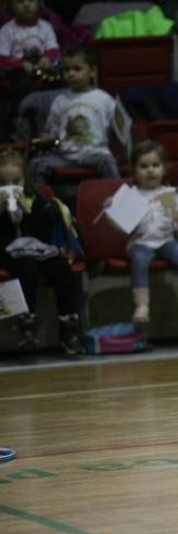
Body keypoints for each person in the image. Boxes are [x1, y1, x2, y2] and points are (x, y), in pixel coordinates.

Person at [104, 141, 178, 324]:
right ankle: (142, 305)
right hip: (141, 243)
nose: (150, 171)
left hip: (166, 241)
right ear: (134, 170)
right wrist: (111, 212)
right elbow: (120, 227)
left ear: (164, 169)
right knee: (139, 260)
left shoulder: (171, 195)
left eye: (155, 165)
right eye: (144, 166)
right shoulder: (131, 195)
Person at [0, 148, 83, 354]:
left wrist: (27, 212)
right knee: (26, 268)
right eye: (3, 182)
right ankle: (26, 325)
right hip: (7, 254)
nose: (11, 187)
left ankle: (68, 327)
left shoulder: (36, 200)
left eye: (16, 181)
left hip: (37, 249)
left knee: (61, 267)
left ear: (25, 180)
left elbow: (43, 234)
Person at [28, 44, 119, 184]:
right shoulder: (60, 101)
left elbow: (117, 129)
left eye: (77, 69)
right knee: (36, 165)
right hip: (65, 155)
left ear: (93, 71)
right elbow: (55, 135)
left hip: (94, 153)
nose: (70, 74)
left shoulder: (104, 99)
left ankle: (117, 198)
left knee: (108, 162)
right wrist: (50, 139)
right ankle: (43, 202)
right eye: (66, 70)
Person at [0, 0, 60, 142]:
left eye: (31, 1)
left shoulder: (45, 27)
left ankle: (56, 124)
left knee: (61, 80)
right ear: (10, 6)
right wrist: (21, 64)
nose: (26, 5)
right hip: (18, 71)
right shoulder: (7, 30)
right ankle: (21, 120)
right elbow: (2, 58)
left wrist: (47, 58)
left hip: (42, 69)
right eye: (20, 2)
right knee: (22, 85)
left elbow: (54, 49)